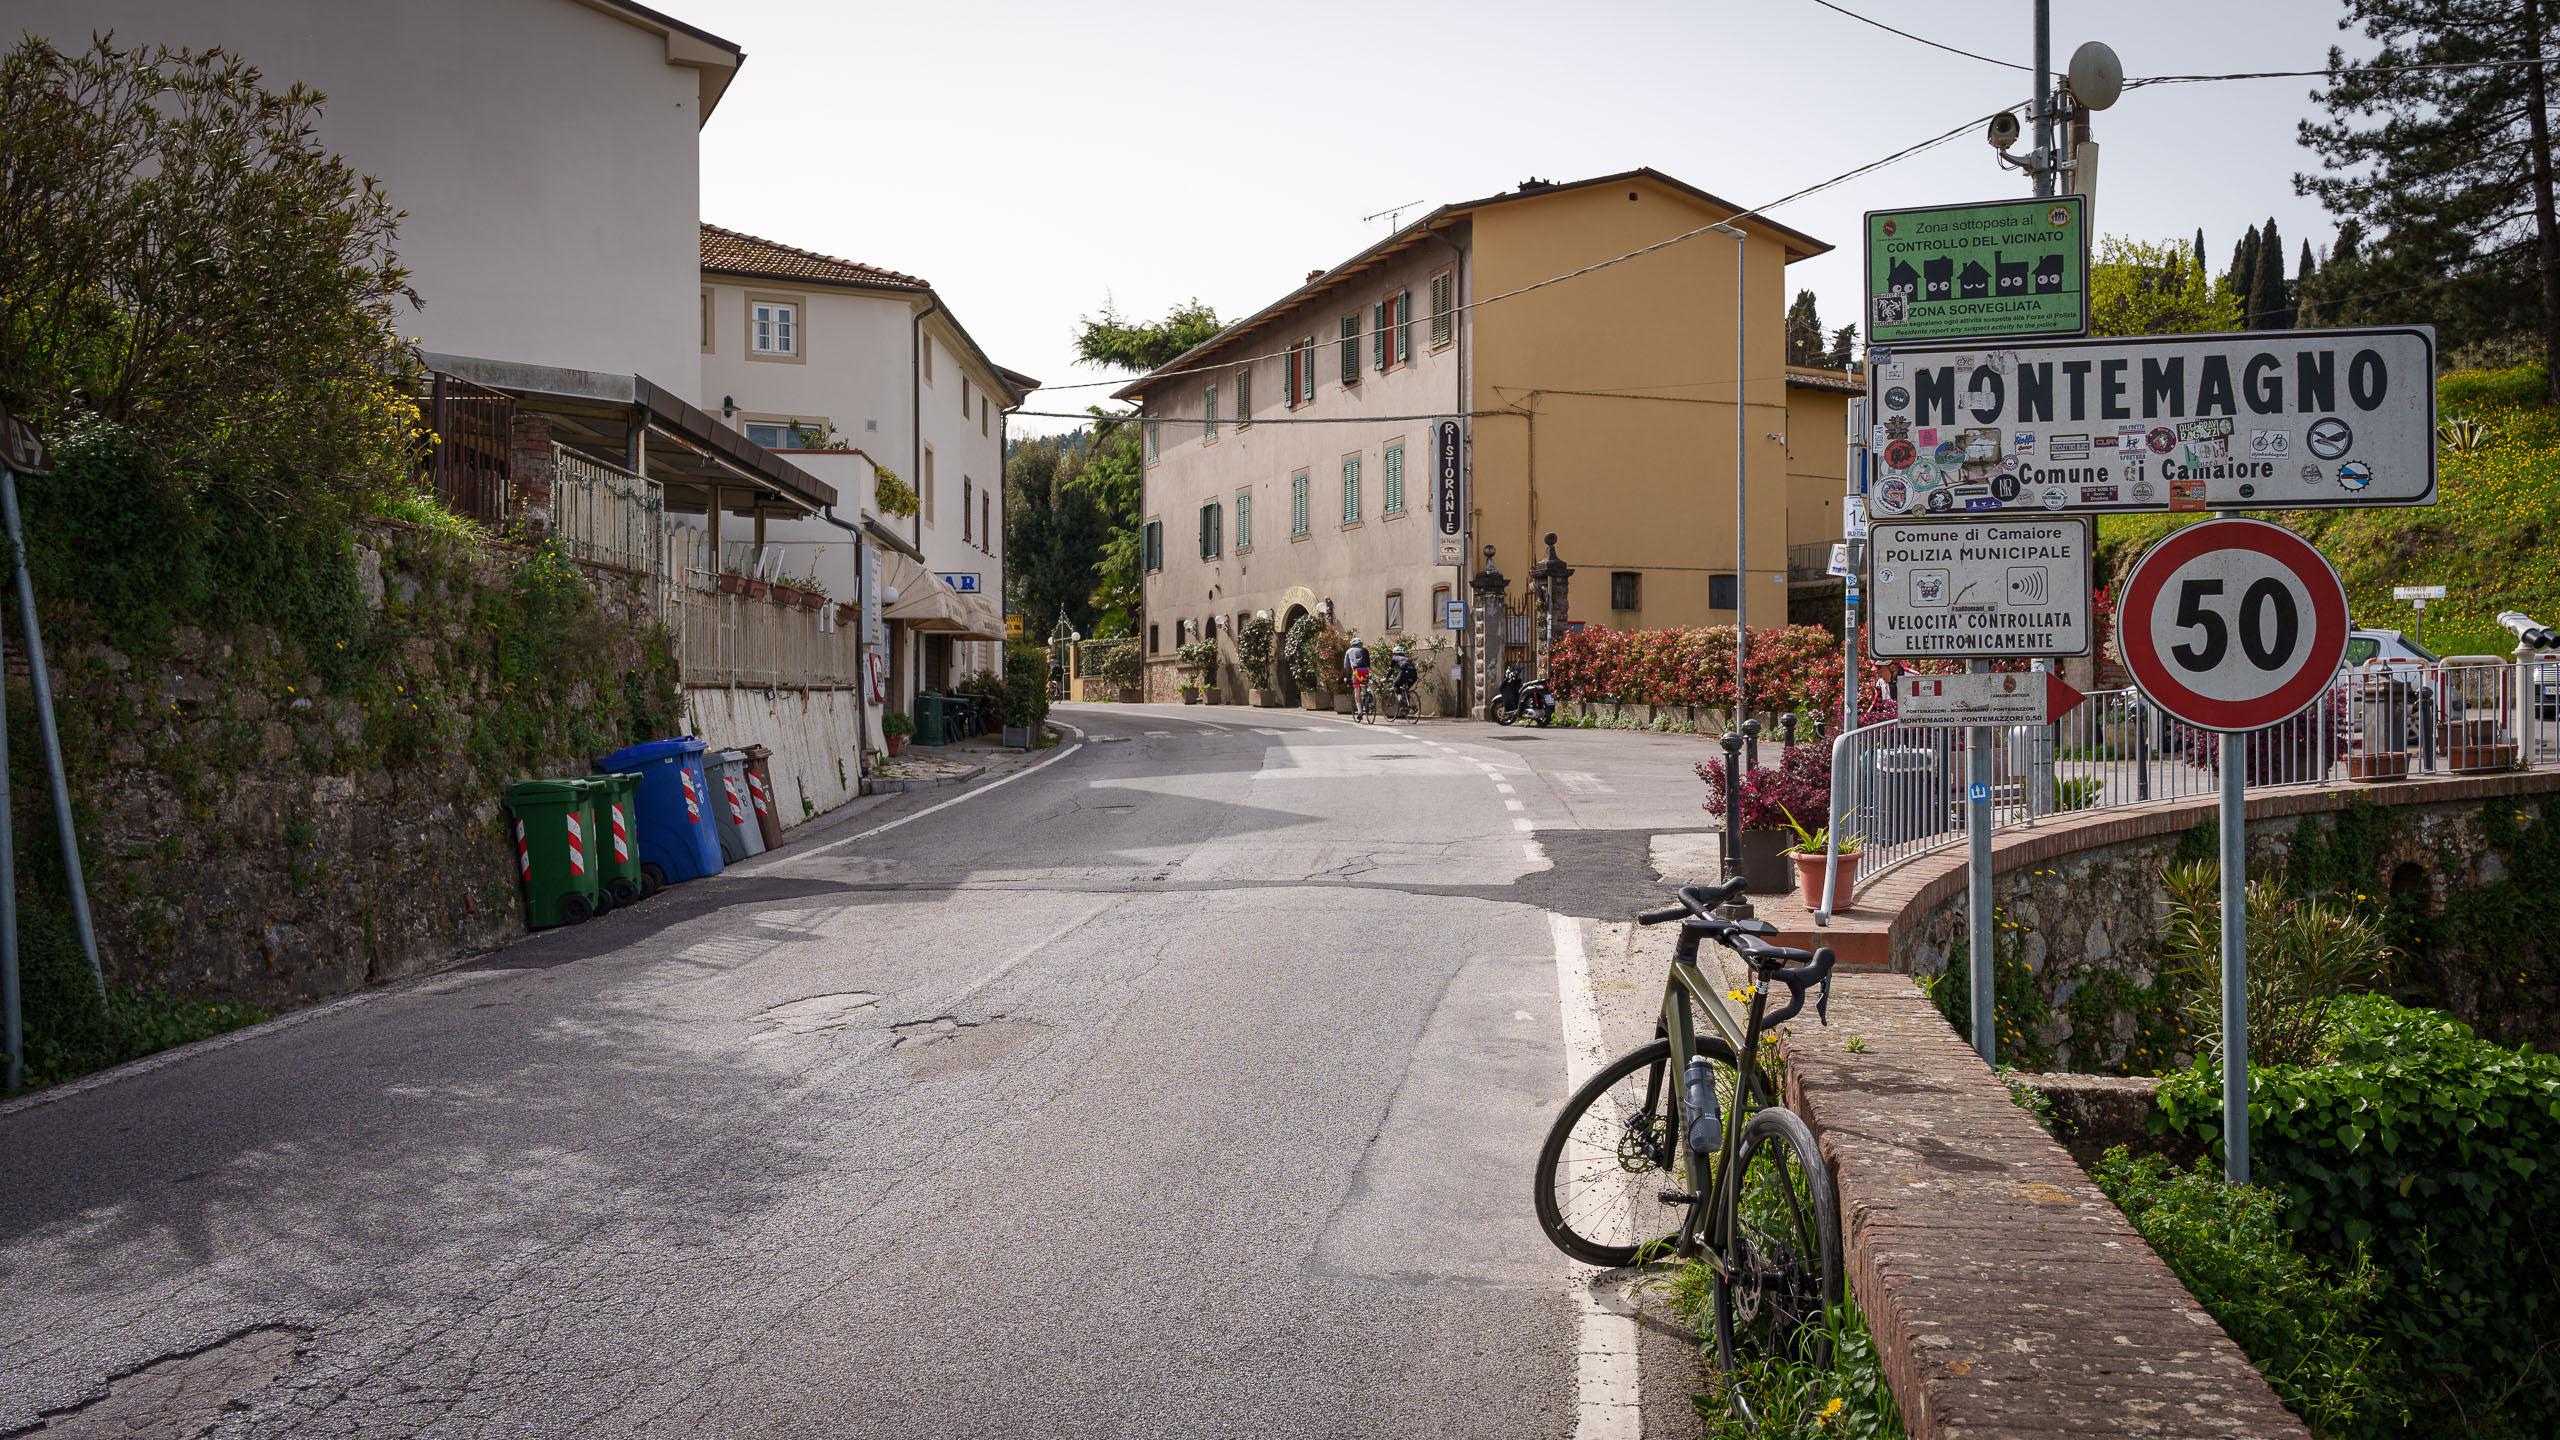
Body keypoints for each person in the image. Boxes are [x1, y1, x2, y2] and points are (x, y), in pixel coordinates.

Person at [1343, 635, 1373, 711]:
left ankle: (1359, 711)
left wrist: (1346, 676)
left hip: (1356, 672)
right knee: (1366, 684)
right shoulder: (1365, 650)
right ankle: (1368, 692)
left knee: (1357, 689)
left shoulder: (1349, 651)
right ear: (1360, 644)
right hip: (1366, 670)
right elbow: (1368, 662)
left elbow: (1346, 665)